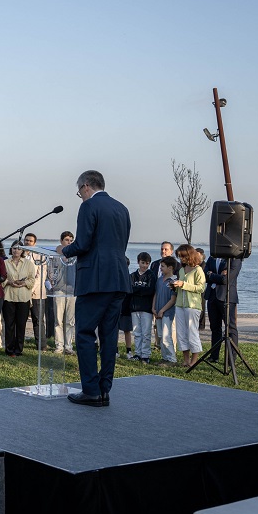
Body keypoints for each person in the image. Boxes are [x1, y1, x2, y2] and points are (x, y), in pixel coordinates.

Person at [60, 170, 132, 407]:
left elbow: (83, 243)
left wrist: (64, 251)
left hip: (94, 280)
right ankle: (104, 390)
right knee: (109, 336)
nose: (79, 195)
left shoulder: (89, 206)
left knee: (85, 333)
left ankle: (91, 389)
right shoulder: (122, 208)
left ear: (87, 186)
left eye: (79, 190)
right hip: (119, 278)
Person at [170, 244, 207, 368]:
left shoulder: (198, 270)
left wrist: (184, 284)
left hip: (193, 305)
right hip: (180, 304)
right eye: (179, 256)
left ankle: (194, 359)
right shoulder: (181, 269)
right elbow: (180, 287)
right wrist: (175, 286)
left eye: (183, 256)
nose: (181, 259)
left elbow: (201, 288)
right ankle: (186, 359)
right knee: (181, 333)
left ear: (189, 255)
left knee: (192, 332)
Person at [204, 254, 242, 362]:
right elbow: (204, 274)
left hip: (227, 297)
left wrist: (211, 275)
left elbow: (226, 280)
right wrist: (216, 276)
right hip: (212, 296)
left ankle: (231, 359)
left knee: (230, 328)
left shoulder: (234, 259)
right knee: (215, 328)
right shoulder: (212, 257)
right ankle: (214, 356)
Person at [1, 244, 35, 357]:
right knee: (9, 324)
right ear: (11, 249)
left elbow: (32, 280)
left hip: (23, 297)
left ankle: (19, 349)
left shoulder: (28, 264)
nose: (16, 250)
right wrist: (9, 282)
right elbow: (2, 279)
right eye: (14, 248)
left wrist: (23, 283)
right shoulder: (5, 263)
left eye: (19, 248)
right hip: (9, 297)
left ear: (22, 251)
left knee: (21, 325)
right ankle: (9, 349)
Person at [51, 231, 77, 354]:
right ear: (61, 241)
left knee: (70, 321)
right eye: (67, 240)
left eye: (71, 240)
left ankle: (68, 346)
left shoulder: (76, 256)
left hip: (72, 291)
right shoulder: (55, 255)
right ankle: (59, 346)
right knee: (58, 320)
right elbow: (51, 272)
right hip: (59, 291)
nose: (69, 242)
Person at [152, 256, 180, 366]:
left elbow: (173, 299)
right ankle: (164, 357)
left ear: (170, 268)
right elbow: (156, 294)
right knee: (160, 335)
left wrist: (163, 310)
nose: (160, 268)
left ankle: (172, 359)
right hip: (158, 311)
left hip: (167, 313)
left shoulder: (173, 281)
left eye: (162, 266)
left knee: (166, 335)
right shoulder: (159, 280)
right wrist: (153, 308)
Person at [129, 252, 155, 362]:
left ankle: (145, 355)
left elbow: (150, 290)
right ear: (138, 262)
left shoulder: (151, 275)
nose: (144, 266)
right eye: (142, 263)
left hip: (146, 308)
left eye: (147, 263)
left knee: (146, 333)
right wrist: (139, 290)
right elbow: (129, 289)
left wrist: (137, 289)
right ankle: (138, 353)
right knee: (137, 332)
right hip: (134, 308)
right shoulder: (132, 276)